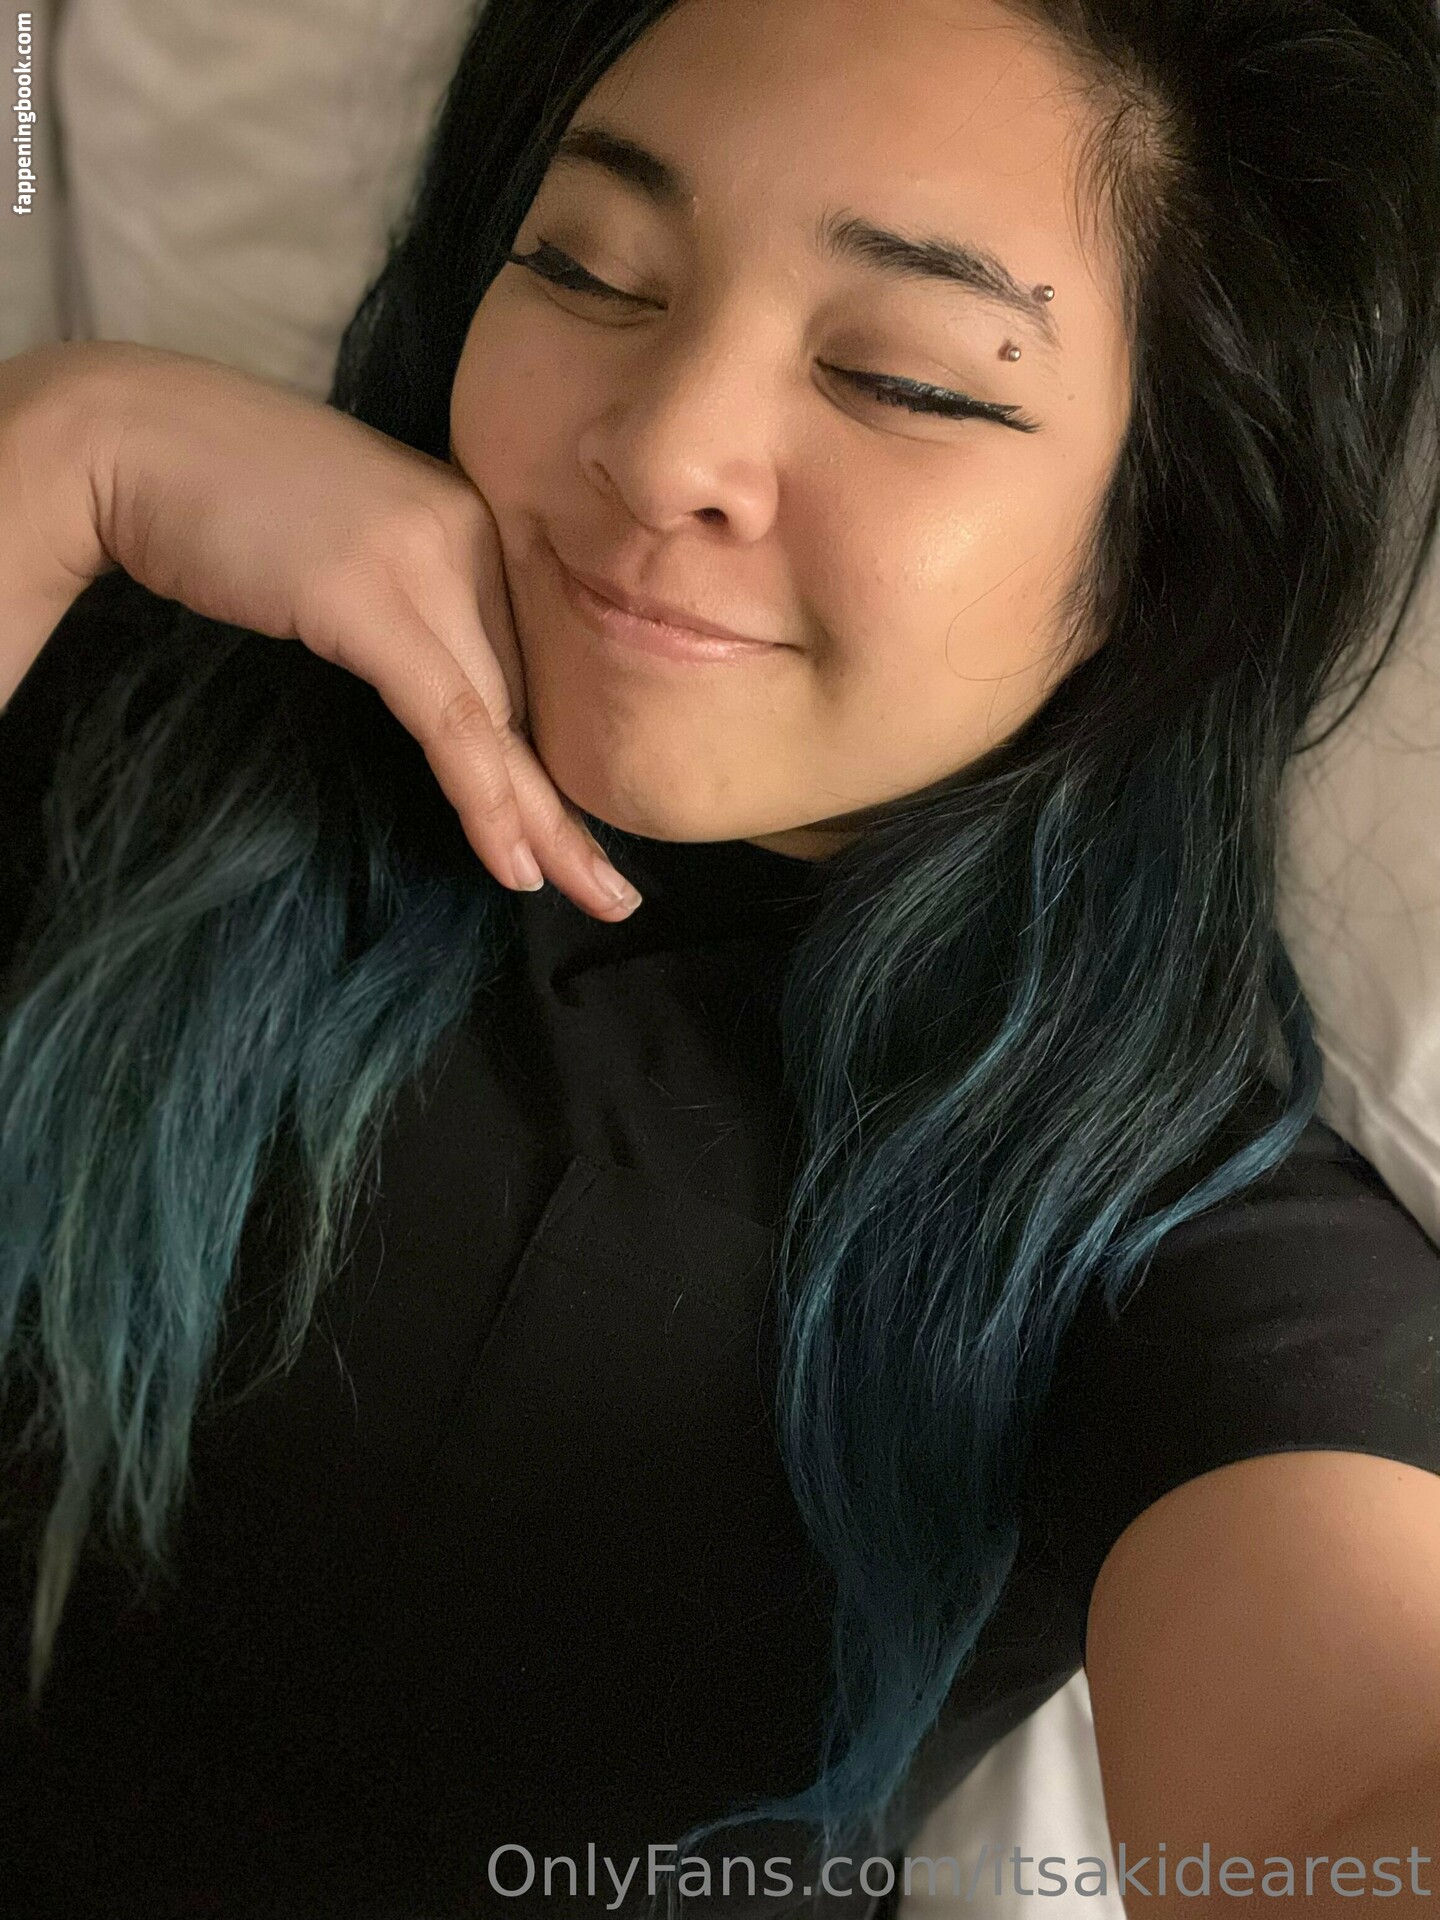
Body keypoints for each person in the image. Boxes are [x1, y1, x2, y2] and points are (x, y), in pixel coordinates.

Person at [1, 0, 1439, 1914]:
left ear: (1163, 544)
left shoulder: (1152, 1229)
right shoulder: (122, 683)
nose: (666, 444)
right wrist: (59, 451)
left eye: (907, 378)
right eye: (589, 268)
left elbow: (1352, 1791)